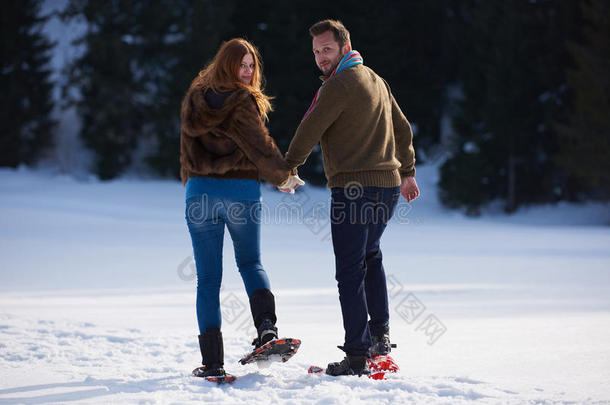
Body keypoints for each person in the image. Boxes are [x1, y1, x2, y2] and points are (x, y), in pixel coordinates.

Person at [283, 20, 420, 376]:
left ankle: (357, 356)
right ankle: (380, 337)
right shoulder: (375, 79)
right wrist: (407, 171)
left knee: (349, 270)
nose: (320, 57)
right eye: (315, 51)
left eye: (327, 49)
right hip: (387, 188)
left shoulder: (340, 85)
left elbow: (309, 127)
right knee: (370, 256)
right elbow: (403, 128)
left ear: (345, 46)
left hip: (354, 191)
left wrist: (288, 167)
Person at [180, 38, 303, 378]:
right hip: (241, 194)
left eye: (251, 65)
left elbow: (186, 152)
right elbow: (260, 146)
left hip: (199, 194)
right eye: (242, 65)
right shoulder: (242, 101)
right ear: (227, 65)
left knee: (207, 281)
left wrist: (191, 187)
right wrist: (284, 177)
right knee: (250, 263)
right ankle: (267, 332)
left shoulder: (194, 99)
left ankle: (212, 363)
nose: (248, 71)